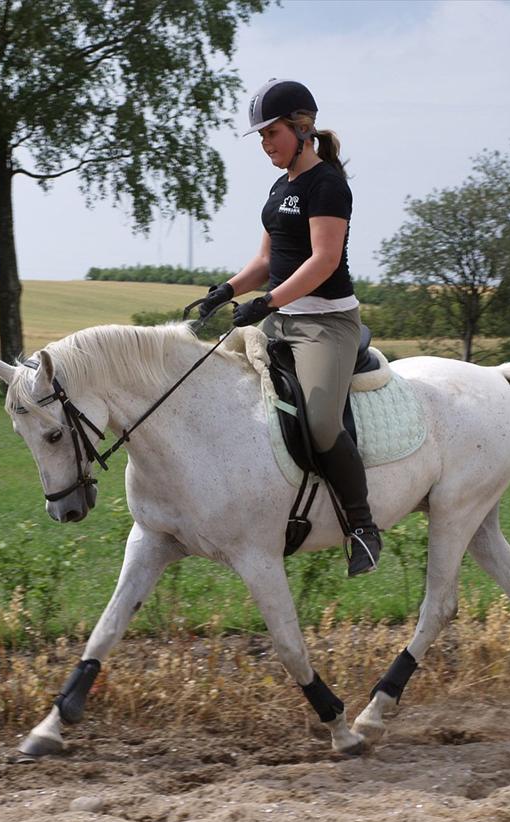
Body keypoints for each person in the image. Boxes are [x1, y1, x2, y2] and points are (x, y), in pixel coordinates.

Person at [197, 79, 380, 577]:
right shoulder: (280, 187)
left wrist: (269, 300)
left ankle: (361, 526)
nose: (266, 144)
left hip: (325, 325)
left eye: (271, 133)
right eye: (260, 137)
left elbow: (322, 262)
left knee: (321, 423)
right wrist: (226, 291)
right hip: (278, 317)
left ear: (302, 128)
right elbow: (265, 260)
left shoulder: (328, 185)